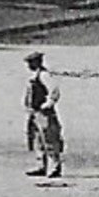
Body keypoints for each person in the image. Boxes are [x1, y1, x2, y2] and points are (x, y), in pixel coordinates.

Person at [23, 50, 64, 178]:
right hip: (35, 112)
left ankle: (55, 166)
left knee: (50, 139)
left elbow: (54, 90)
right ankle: (41, 165)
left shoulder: (44, 75)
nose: (28, 65)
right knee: (37, 140)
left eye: (31, 62)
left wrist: (49, 103)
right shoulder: (35, 75)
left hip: (44, 113)